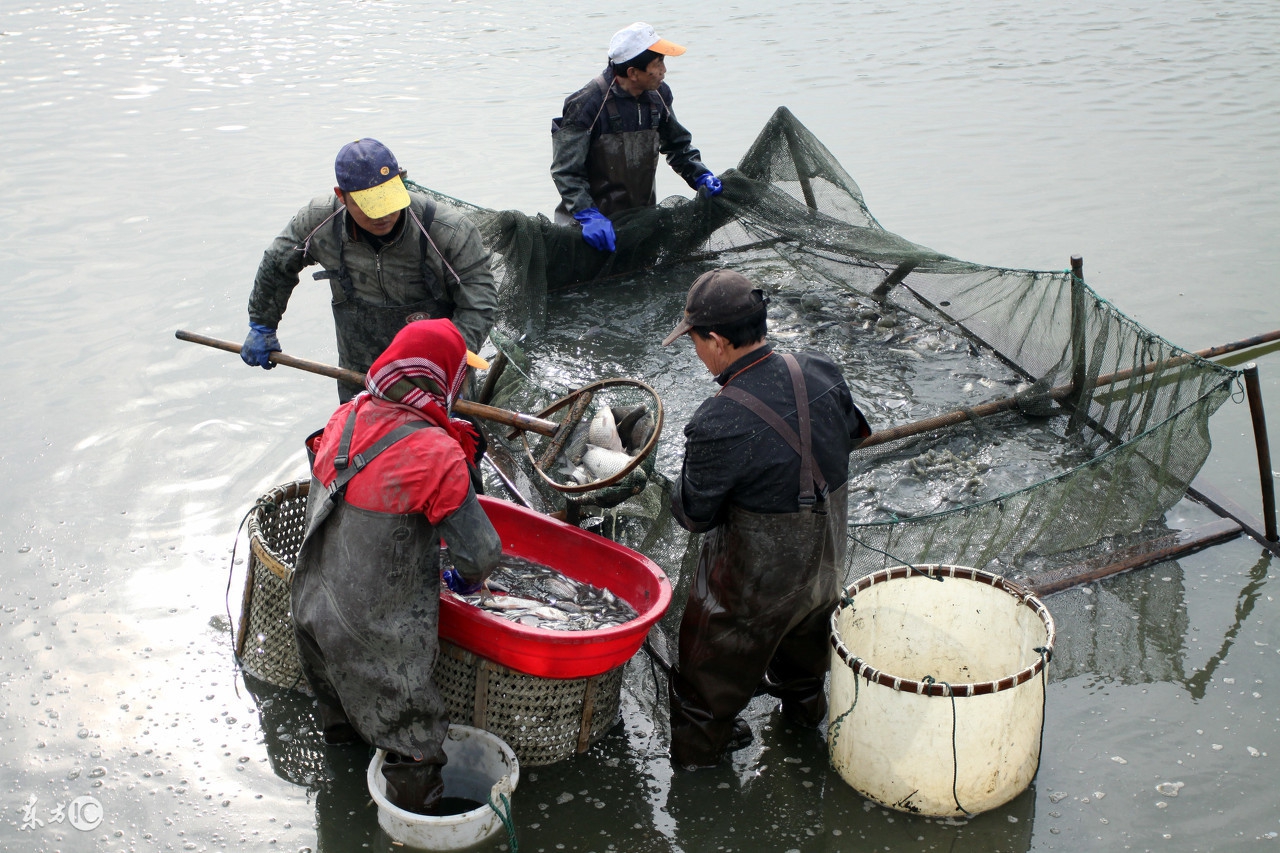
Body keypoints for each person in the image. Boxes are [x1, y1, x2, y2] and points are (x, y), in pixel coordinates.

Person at [660, 269, 871, 770]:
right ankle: (804, 750)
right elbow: (856, 434)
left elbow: (693, 516)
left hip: (750, 599)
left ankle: (699, 798)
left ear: (715, 341)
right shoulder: (819, 369)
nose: (695, 351)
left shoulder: (717, 421)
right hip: (823, 580)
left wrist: (658, 480)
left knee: (698, 700)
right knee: (804, 682)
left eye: (693, 339)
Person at [290, 318, 502, 815]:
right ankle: (414, 829)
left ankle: (341, 809)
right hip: (374, 634)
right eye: (458, 374)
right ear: (441, 380)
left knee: (342, 722)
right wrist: (462, 581)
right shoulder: (436, 452)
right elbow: (482, 554)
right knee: (414, 744)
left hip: (310, 610)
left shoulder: (345, 415)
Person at [241, 138, 498, 401]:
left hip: (435, 370)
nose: (382, 216)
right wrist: (262, 323)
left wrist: (449, 362)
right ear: (341, 196)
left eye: (388, 201)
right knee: (359, 437)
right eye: (369, 206)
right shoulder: (319, 221)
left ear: (402, 181)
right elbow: (278, 263)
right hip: (360, 370)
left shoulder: (448, 231)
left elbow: (479, 303)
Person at [550, 22, 724, 253]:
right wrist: (587, 215)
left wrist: (701, 175)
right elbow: (566, 171)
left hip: (639, 225)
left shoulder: (659, 95)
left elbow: (678, 147)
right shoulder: (586, 104)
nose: (664, 70)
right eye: (658, 63)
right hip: (588, 230)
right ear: (632, 72)